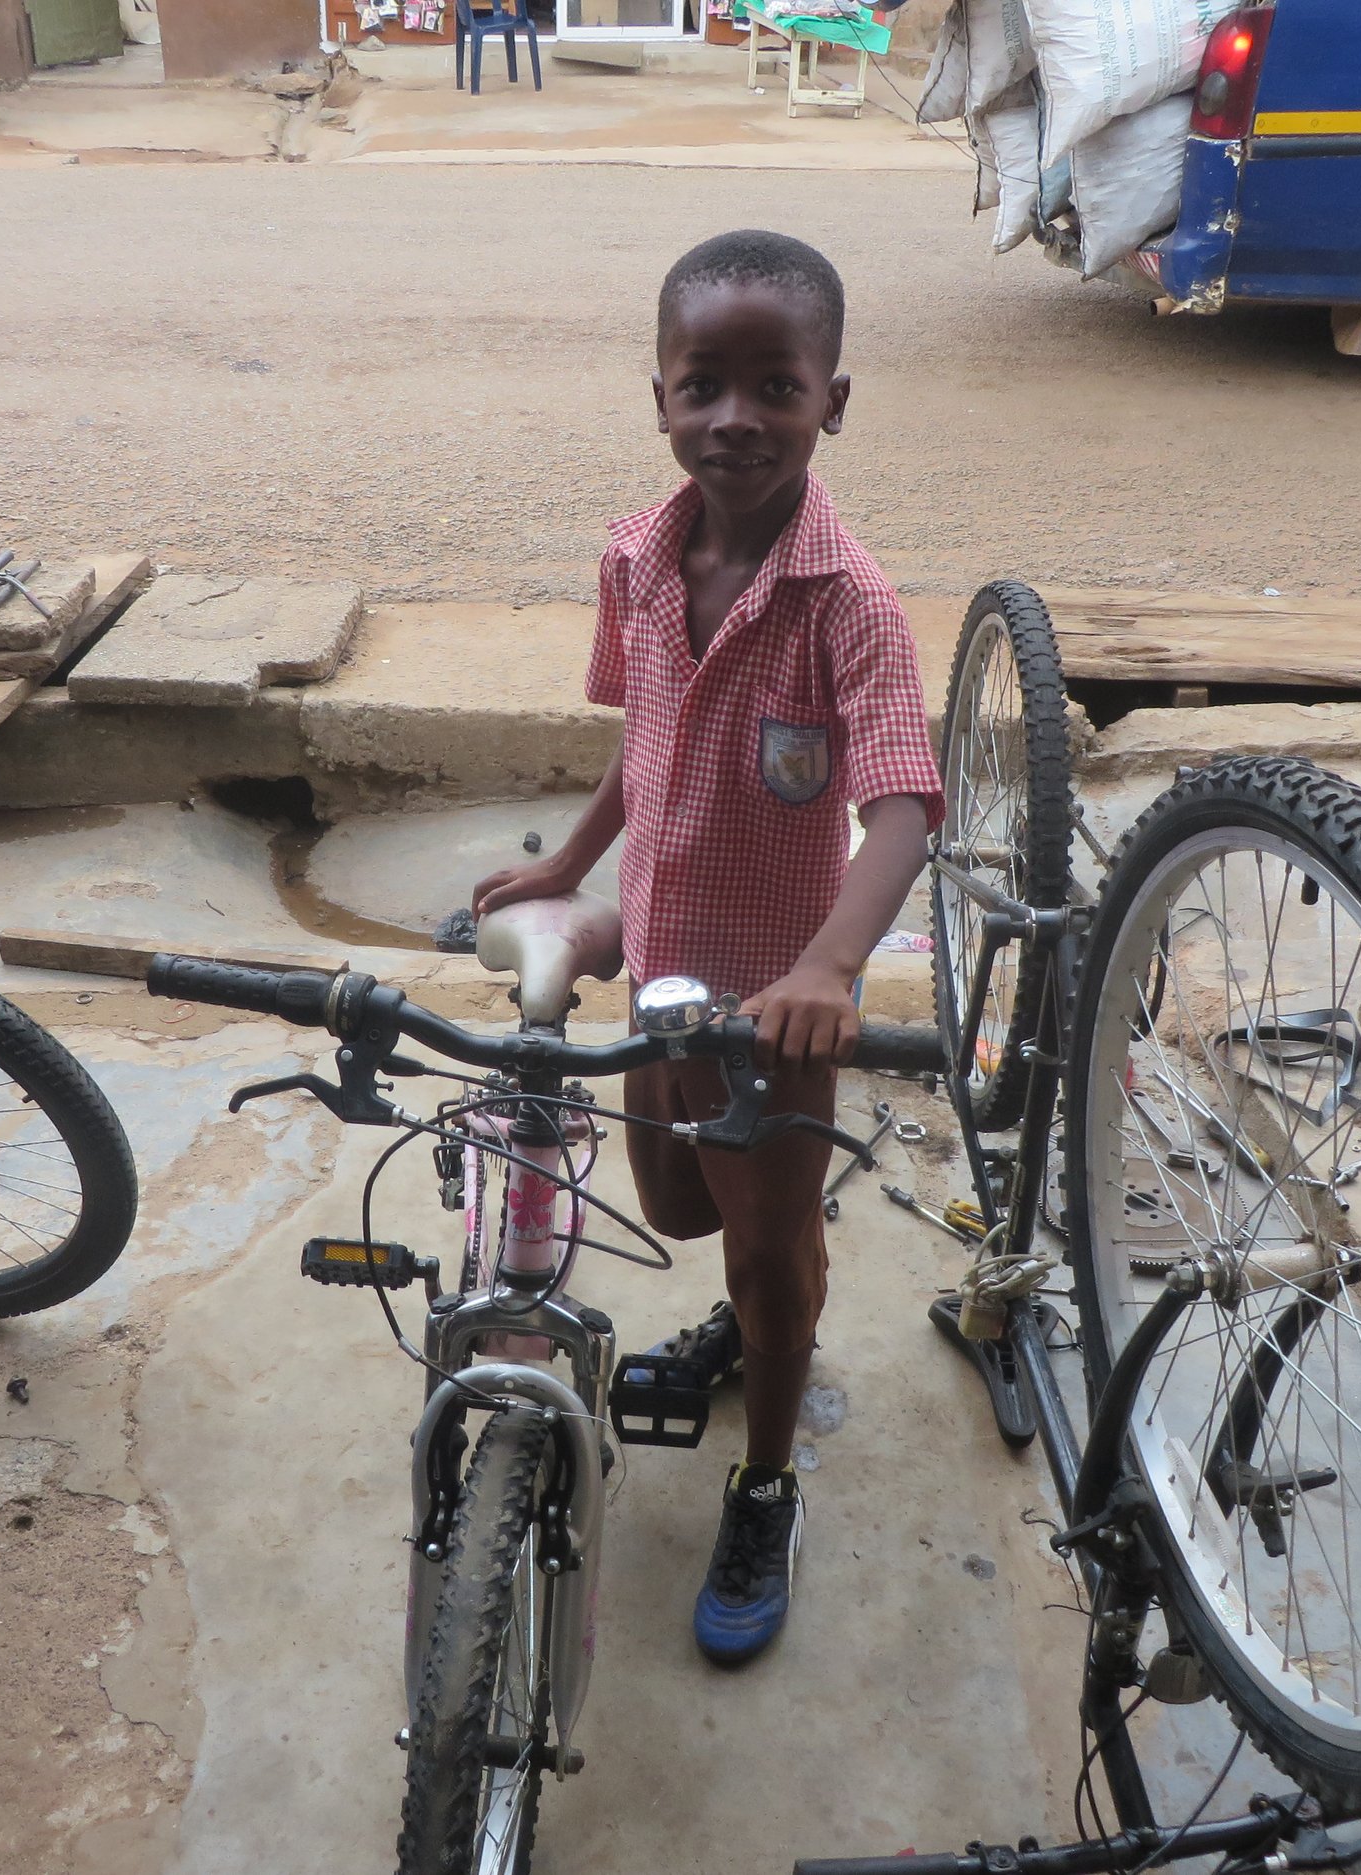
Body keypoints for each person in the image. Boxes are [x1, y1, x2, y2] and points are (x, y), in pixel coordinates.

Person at [472, 229, 941, 1667]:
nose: (736, 417)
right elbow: (651, 737)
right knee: (677, 1207)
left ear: (831, 402)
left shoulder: (849, 605)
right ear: (661, 398)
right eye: (704, 386)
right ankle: (764, 1301)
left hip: (776, 1013)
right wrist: (572, 868)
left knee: (765, 1252)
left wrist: (827, 971)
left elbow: (905, 802)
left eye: (775, 386)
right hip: (663, 973)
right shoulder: (636, 554)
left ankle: (768, 1480)